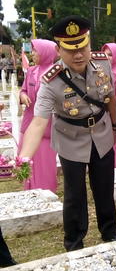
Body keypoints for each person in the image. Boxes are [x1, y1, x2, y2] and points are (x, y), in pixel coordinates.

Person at [19, 15, 116, 251]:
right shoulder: (51, 81)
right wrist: (24, 157)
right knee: (75, 194)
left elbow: (111, 98)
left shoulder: (103, 64)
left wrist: (114, 127)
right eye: (70, 50)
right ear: (58, 50)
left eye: (82, 47)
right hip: (70, 138)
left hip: (102, 134)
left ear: (88, 43)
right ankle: (74, 240)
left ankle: (110, 231)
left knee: (105, 186)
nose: (78, 55)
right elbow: (38, 122)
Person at [18, 39, 58, 192]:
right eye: (32, 51)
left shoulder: (56, 73)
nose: (32, 54)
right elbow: (23, 90)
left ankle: (46, 190)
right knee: (28, 159)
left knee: (44, 162)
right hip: (29, 122)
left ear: (46, 52)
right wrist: (22, 96)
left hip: (46, 126)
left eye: (36, 51)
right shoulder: (32, 71)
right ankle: (29, 189)